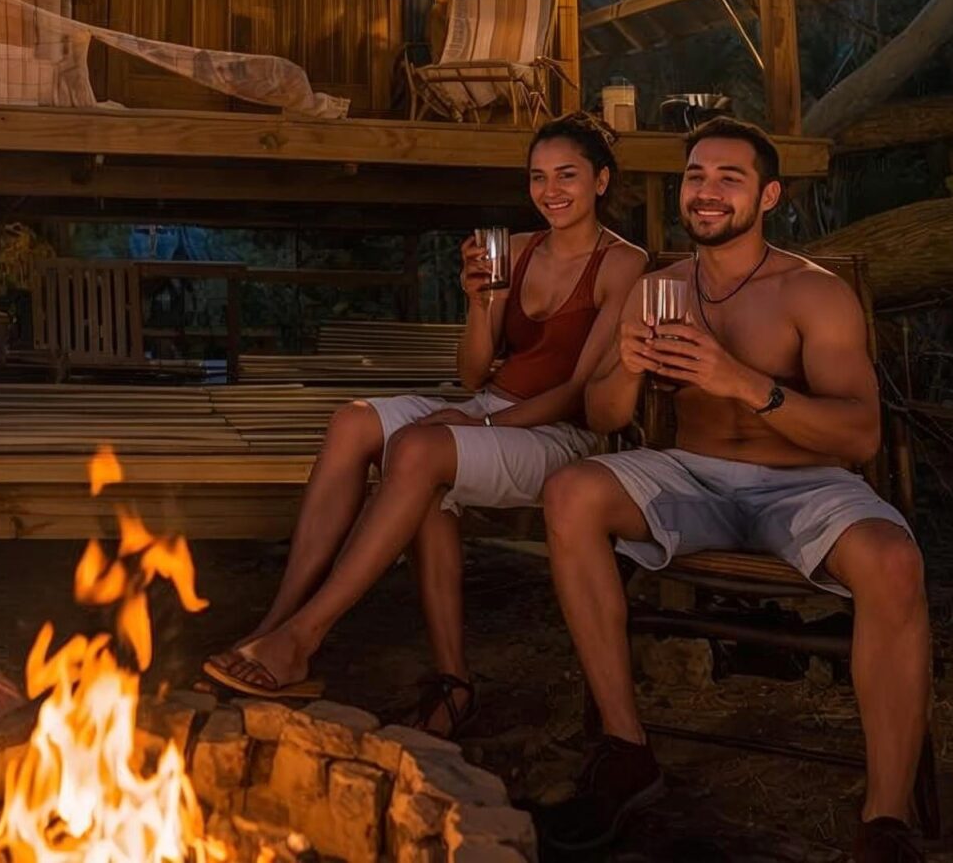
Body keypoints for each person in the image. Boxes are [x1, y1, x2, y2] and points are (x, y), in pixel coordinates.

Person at [534, 118, 932, 863]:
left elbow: (859, 438)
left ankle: (886, 821)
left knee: (893, 561)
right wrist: (623, 364)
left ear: (769, 195)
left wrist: (741, 383)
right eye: (695, 176)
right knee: (570, 494)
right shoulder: (656, 289)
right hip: (691, 472)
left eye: (729, 178)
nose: (707, 192)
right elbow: (605, 417)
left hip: (805, 484)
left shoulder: (814, 294)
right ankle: (626, 749)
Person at [203, 114, 646, 738]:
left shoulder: (622, 263)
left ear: (601, 181)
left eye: (567, 176)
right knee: (354, 423)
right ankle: (274, 625)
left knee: (418, 451)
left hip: (559, 436)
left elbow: (577, 389)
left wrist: (479, 421)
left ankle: (305, 638)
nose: (551, 191)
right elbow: (471, 375)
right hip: (488, 409)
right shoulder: (512, 250)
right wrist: (479, 305)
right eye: (538, 177)